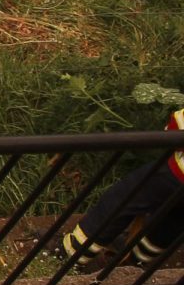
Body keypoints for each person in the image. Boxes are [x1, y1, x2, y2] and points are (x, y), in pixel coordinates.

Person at [59, 107, 184, 273]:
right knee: (173, 219)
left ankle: (72, 253)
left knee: (121, 201)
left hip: (177, 173)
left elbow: (176, 126)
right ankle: (136, 260)